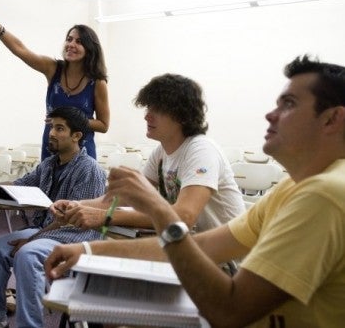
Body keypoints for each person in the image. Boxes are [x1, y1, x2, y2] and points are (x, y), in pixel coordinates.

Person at [46, 55, 345, 327]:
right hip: (196, 253)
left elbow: (228, 305)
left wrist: (139, 212)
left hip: (225, 269)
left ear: (332, 119)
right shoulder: (295, 186)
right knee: (101, 287)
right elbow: (199, 245)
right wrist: (86, 249)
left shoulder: (322, 194)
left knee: (105, 299)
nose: (270, 114)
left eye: (289, 104)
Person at [51, 73, 244, 236]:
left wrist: (106, 216)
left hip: (228, 264)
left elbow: (184, 217)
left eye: (156, 109)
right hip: (196, 250)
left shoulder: (201, 150)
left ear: (182, 116)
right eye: (148, 108)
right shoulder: (160, 154)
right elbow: (125, 199)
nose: (146, 116)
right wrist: (76, 204)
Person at [0, 106, 106, 328]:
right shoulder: (48, 164)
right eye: (50, 127)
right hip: (45, 231)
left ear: (77, 136)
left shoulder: (89, 169)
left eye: (59, 128)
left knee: (27, 254)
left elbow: (74, 224)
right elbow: (18, 185)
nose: (52, 133)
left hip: (73, 237)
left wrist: (32, 239)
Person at [0, 3, 110, 160]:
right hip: (52, 148)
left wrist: (70, 120)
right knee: (47, 184)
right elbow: (21, 50)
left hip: (82, 154)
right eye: (69, 39)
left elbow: (103, 125)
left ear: (90, 49)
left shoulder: (97, 83)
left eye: (79, 42)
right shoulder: (53, 68)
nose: (71, 45)